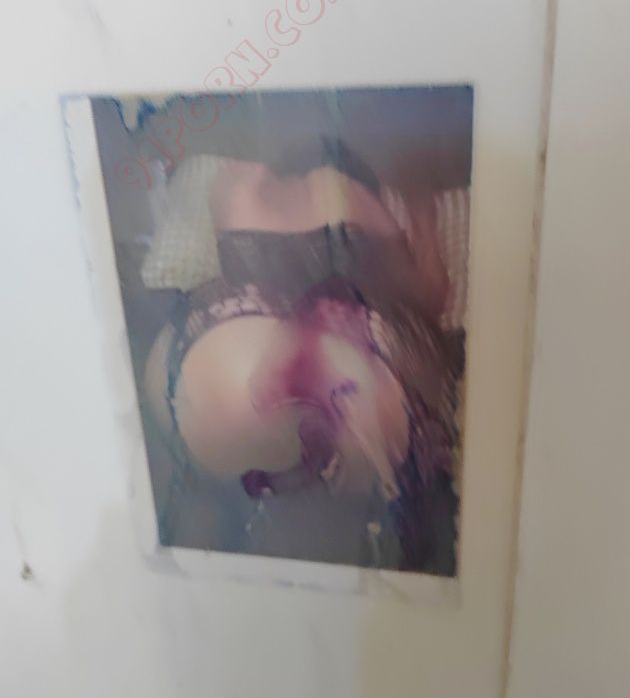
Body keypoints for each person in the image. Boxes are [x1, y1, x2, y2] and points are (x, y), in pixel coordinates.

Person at [144, 139, 462, 573]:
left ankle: (249, 487)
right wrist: (421, 218)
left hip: (199, 344)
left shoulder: (235, 182)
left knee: (232, 475)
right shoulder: (350, 194)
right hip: (315, 377)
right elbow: (427, 297)